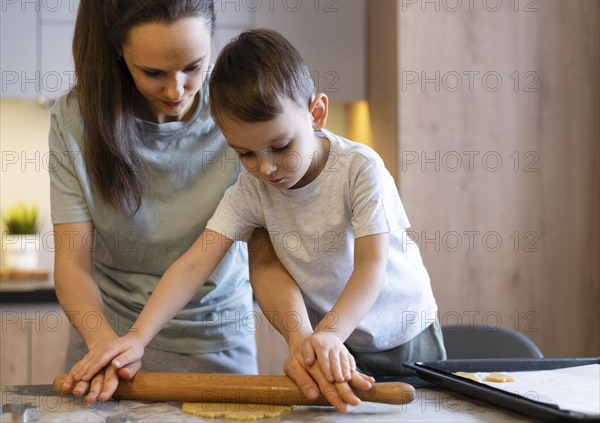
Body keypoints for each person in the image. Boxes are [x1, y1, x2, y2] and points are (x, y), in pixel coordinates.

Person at [68, 28, 446, 410]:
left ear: (315, 114)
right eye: (246, 154)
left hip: (404, 333)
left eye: (281, 147)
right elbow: (192, 265)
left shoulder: (360, 169)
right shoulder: (252, 191)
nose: (266, 168)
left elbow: (372, 265)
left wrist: (330, 332)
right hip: (333, 341)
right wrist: (137, 337)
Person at [51, 0, 279, 405]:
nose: (177, 90)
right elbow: (71, 261)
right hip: (108, 344)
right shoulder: (75, 120)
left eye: (193, 66)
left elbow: (264, 252)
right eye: (154, 72)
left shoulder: (241, 113)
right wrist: (107, 348)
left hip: (217, 344)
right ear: (119, 52)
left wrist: (304, 336)